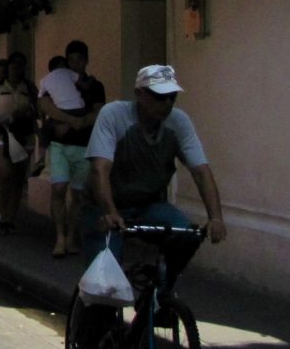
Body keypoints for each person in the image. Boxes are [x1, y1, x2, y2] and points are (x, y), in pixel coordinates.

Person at [84, 64, 227, 265]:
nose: (167, 103)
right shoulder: (114, 115)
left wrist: (216, 218)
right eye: (160, 97)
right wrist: (110, 212)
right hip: (106, 204)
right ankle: (95, 294)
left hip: (149, 204)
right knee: (103, 277)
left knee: (186, 235)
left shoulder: (178, 122)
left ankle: (162, 291)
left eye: (172, 97)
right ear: (139, 94)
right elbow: (100, 169)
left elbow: (201, 171)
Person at [39, 40, 107, 258]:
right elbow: (46, 105)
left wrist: (79, 122)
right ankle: (59, 238)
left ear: (86, 61)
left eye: (79, 59)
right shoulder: (58, 82)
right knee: (58, 189)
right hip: (60, 145)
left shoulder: (95, 86)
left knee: (77, 194)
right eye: (70, 60)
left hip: (83, 145)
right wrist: (70, 120)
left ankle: (71, 236)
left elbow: (98, 113)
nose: (74, 64)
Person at [0, 50, 37, 234]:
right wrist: (1, 119)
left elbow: (37, 110)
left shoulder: (29, 87)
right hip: (0, 134)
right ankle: (2, 211)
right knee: (4, 174)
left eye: (20, 65)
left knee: (18, 177)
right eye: (13, 65)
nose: (16, 69)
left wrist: (23, 114)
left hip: (23, 135)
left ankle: (10, 218)